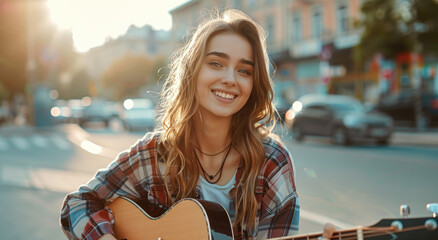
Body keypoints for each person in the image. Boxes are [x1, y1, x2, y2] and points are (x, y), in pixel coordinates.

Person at [60, 9, 300, 240]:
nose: (229, 79)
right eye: (216, 63)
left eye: (244, 70)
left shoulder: (271, 163)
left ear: (254, 85)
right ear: (192, 72)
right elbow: (78, 204)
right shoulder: (154, 154)